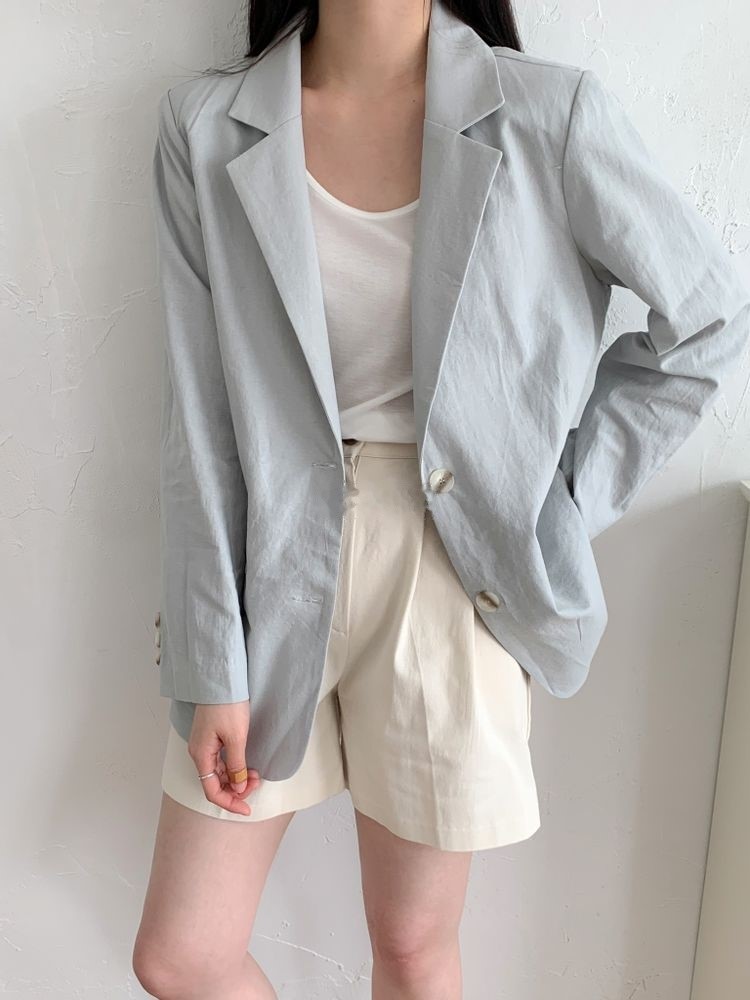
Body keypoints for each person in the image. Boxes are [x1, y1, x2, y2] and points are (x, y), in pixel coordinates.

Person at [133, 1, 750, 997]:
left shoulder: (549, 115)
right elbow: (199, 413)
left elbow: (709, 319)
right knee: (182, 953)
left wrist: (554, 510)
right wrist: (212, 656)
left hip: (454, 569)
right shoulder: (206, 127)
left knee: (414, 950)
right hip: (267, 561)